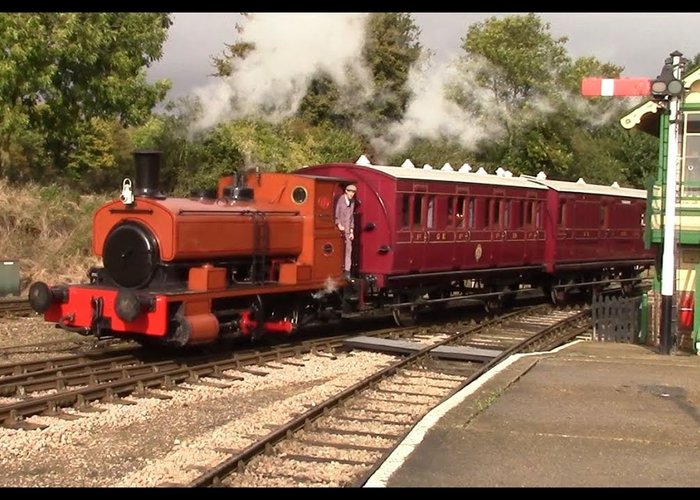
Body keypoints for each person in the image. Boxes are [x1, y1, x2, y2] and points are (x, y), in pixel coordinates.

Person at [335, 183, 357, 279]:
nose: (352, 194)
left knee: (348, 250)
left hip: (348, 230)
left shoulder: (352, 202)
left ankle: (347, 272)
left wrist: (352, 230)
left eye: (353, 192)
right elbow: (336, 213)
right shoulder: (341, 200)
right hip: (340, 229)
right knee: (339, 251)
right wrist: (339, 224)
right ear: (346, 191)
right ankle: (338, 271)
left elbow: (351, 217)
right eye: (350, 192)